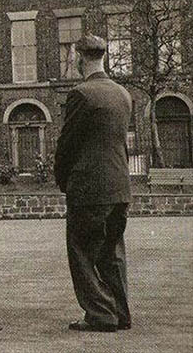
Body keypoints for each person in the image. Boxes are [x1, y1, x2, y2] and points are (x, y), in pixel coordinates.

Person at [55, 34, 133, 333]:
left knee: (83, 252)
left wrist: (63, 180)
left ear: (79, 58)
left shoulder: (81, 93)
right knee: (112, 252)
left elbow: (67, 144)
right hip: (120, 187)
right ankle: (121, 313)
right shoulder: (122, 94)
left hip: (89, 189)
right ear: (103, 57)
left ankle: (100, 314)